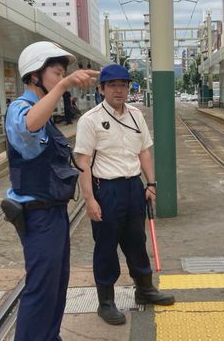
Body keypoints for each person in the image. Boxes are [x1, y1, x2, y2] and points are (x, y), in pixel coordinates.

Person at [4, 41, 98, 341]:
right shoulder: (21, 109)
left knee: (57, 284)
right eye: (57, 74)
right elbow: (28, 127)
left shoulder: (43, 112)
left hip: (53, 211)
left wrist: (60, 87)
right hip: (37, 215)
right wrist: (64, 86)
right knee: (41, 287)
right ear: (35, 75)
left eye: (62, 75)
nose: (62, 80)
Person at [74, 64, 175, 326]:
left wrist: (151, 183)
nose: (119, 90)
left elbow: (143, 151)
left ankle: (145, 290)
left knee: (136, 241)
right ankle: (106, 302)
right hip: (105, 190)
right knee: (106, 247)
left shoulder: (135, 115)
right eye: (113, 85)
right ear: (101, 89)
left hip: (133, 188)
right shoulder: (90, 120)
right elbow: (82, 162)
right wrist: (90, 200)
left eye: (123, 85)